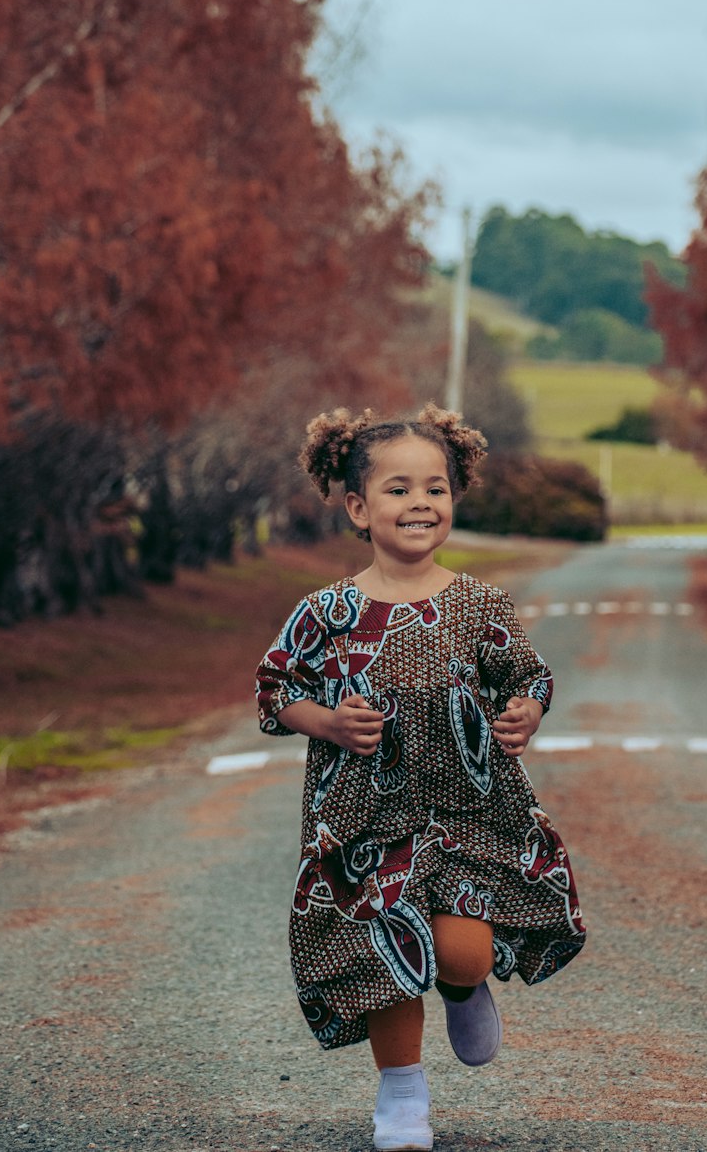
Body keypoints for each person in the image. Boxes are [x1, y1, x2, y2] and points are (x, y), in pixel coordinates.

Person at [254, 404, 586, 1152]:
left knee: (459, 952)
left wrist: (525, 713)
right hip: (366, 820)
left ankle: (467, 988)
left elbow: (528, 675)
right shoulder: (325, 612)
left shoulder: (478, 603)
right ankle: (402, 1097)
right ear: (358, 507)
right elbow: (276, 690)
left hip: (469, 811)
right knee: (384, 957)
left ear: (455, 498)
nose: (419, 504)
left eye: (434, 488)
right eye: (398, 490)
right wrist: (331, 722)